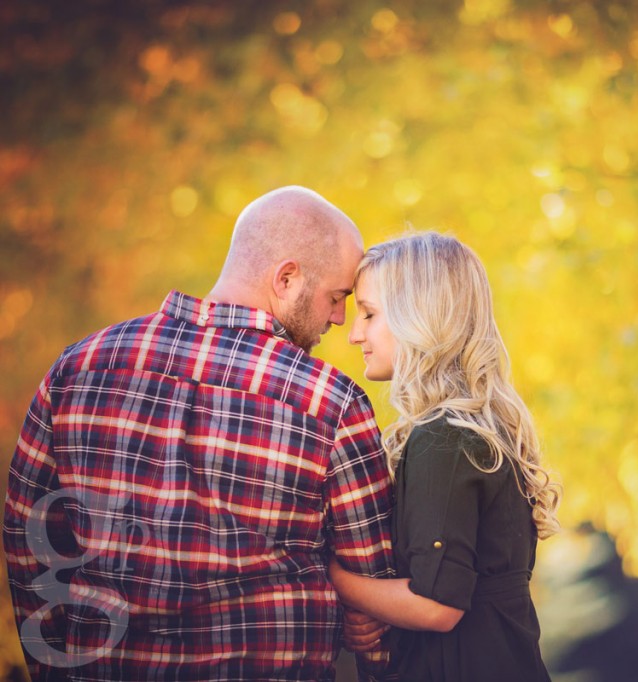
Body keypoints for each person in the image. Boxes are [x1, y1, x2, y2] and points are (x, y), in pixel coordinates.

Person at [4, 186, 394, 681]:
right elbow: (372, 586)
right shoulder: (329, 403)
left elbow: (29, 541)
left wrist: (54, 669)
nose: (340, 318)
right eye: (336, 297)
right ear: (287, 278)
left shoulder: (78, 368)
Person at [330, 231, 561, 682]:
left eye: (370, 314)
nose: (355, 334)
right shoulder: (473, 428)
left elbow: (437, 606)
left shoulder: (445, 438)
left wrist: (338, 580)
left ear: (420, 317)